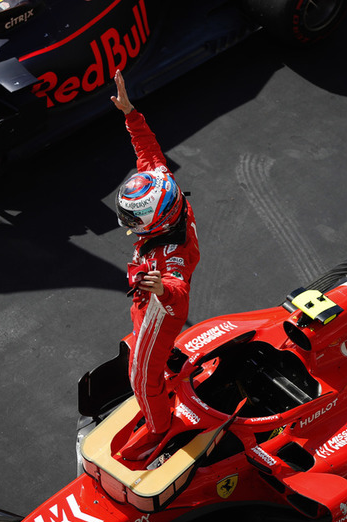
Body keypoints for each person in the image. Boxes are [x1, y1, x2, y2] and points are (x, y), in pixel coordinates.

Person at [111, 69, 200, 461]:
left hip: (161, 308)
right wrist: (131, 113)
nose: (127, 226)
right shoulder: (162, 183)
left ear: (157, 221)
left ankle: (159, 428)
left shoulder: (170, 257)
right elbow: (148, 152)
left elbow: (179, 296)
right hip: (153, 288)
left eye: (134, 221)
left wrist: (160, 288)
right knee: (139, 346)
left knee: (140, 377)